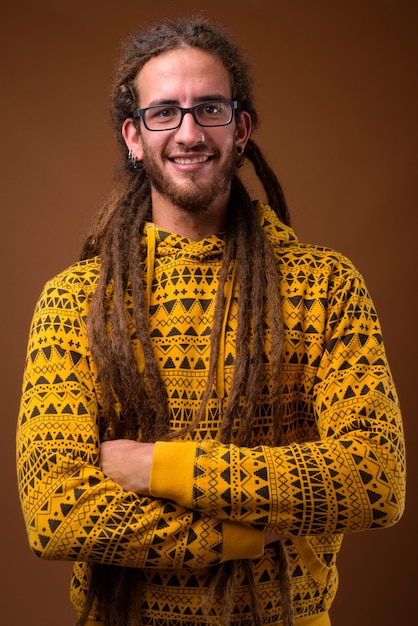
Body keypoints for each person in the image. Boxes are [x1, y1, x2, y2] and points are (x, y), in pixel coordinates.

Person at [16, 15, 406, 626]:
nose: (190, 132)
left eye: (211, 109)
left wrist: (154, 466)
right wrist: (241, 537)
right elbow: (54, 513)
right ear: (134, 136)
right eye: (164, 111)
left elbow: (375, 478)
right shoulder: (72, 301)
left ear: (241, 128)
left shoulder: (325, 285)